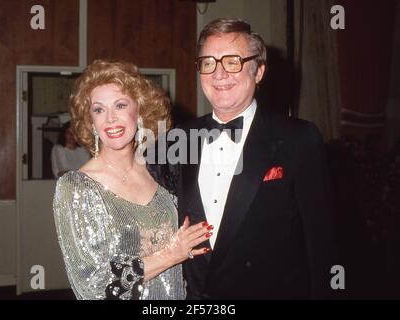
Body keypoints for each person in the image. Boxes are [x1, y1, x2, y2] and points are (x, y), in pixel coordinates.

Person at [170, 18, 338, 299]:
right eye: (208, 62)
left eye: (232, 61)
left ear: (258, 71)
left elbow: (322, 244)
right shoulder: (179, 137)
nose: (219, 74)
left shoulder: (299, 139)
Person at [52, 59, 212, 300]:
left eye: (120, 105)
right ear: (90, 120)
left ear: (140, 111)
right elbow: (92, 286)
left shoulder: (162, 173)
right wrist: (172, 254)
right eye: (98, 109)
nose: (110, 118)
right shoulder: (76, 187)